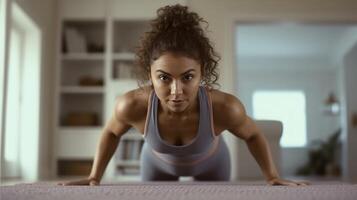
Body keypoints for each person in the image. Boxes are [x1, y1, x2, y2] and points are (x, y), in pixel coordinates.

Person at [59, 4, 308, 186]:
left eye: (188, 77)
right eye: (164, 78)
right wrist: (94, 176)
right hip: (156, 165)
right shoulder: (132, 105)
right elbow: (112, 132)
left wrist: (272, 176)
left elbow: (253, 134)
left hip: (214, 164)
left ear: (202, 73)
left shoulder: (225, 108)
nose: (176, 91)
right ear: (150, 73)